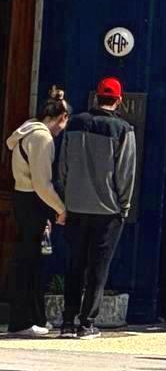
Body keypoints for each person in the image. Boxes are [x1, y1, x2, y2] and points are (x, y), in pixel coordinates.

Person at [52, 78, 136, 340]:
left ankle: (67, 322)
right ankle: (87, 324)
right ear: (119, 100)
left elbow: (63, 166)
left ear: (96, 98)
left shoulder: (75, 124)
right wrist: (124, 205)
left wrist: (65, 198)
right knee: (98, 268)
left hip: (75, 206)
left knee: (75, 264)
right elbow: (125, 173)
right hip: (107, 210)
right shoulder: (123, 129)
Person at [6, 87, 69, 337]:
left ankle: (31, 317)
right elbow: (43, 183)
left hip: (21, 198)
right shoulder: (43, 138)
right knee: (32, 263)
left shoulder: (26, 131)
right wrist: (60, 209)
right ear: (61, 117)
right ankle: (24, 321)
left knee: (26, 259)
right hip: (34, 201)